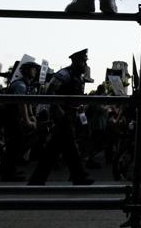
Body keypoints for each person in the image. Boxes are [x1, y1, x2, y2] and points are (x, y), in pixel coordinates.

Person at [28, 49, 94, 185]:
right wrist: (58, 110)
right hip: (63, 116)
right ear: (76, 61)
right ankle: (79, 177)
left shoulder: (78, 78)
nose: (85, 63)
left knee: (55, 149)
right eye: (83, 61)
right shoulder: (63, 74)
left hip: (72, 115)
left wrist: (83, 119)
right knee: (70, 148)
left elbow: (78, 101)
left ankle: (37, 180)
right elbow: (50, 92)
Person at [0, 61, 39, 181]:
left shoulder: (26, 85)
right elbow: (21, 103)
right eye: (33, 69)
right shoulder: (20, 85)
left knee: (17, 145)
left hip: (16, 118)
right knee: (15, 145)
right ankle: (8, 174)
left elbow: (27, 103)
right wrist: (27, 120)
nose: (35, 71)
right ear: (27, 70)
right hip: (11, 118)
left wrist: (31, 116)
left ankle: (11, 171)